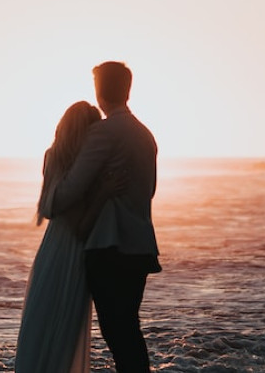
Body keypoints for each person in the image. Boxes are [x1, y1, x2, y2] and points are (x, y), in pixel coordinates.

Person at [51, 61, 161, 373]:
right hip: (140, 246)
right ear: (128, 90)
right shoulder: (145, 134)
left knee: (117, 332)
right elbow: (149, 191)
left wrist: (55, 195)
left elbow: (69, 191)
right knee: (128, 329)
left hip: (109, 247)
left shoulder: (103, 133)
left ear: (99, 92)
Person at [16, 100, 108, 373]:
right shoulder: (86, 169)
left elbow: (50, 209)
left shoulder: (52, 156)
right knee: (65, 323)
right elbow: (78, 218)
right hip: (75, 250)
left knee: (42, 318)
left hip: (52, 246)